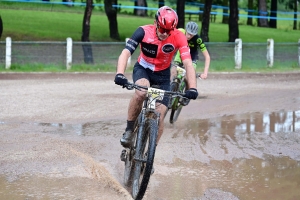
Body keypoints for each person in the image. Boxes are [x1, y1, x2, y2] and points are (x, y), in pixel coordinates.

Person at [114, 6, 198, 148]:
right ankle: (129, 130)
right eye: (162, 29)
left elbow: (188, 63)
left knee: (160, 116)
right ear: (155, 23)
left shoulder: (179, 36)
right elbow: (126, 53)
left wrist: (193, 87)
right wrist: (120, 74)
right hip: (143, 69)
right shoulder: (143, 31)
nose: (165, 34)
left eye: (168, 31)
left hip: (163, 75)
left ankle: (150, 153)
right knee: (141, 92)